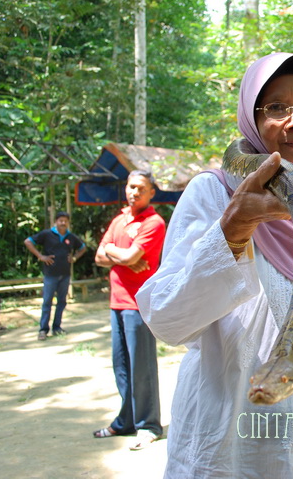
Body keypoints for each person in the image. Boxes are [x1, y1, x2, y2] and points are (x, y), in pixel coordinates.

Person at [137, 52, 293, 478]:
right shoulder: (215, 194)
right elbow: (166, 320)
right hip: (225, 451)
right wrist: (234, 228)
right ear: (250, 119)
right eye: (275, 107)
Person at [93, 170, 166, 451]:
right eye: (130, 187)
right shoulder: (120, 219)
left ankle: (148, 425)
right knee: (121, 366)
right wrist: (120, 256)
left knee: (141, 366)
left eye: (140, 188)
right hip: (116, 302)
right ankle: (125, 421)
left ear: (151, 193)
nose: (134, 192)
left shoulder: (154, 222)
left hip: (139, 303)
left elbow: (127, 255)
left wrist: (116, 253)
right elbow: (99, 256)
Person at [24, 211, 87, 340]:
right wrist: (40, 256)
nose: (63, 223)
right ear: (56, 221)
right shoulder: (47, 234)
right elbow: (28, 242)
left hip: (65, 274)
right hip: (50, 274)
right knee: (47, 301)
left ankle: (57, 327)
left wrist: (74, 258)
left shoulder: (71, 237)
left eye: (65, 221)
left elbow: (83, 247)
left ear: (68, 223)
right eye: (61, 220)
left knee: (62, 302)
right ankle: (43, 329)